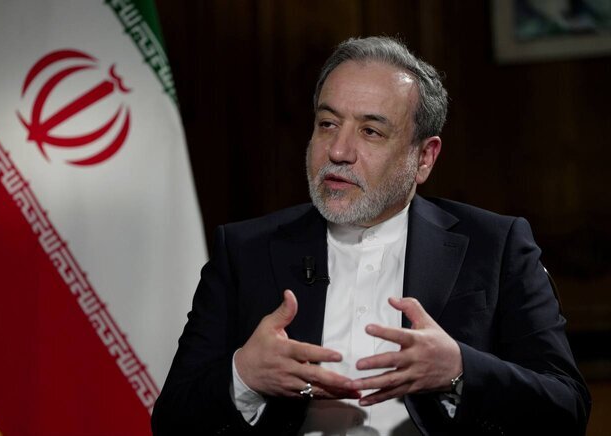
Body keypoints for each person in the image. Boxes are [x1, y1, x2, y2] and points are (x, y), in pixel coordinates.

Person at [152, 36, 591, 435]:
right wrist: (244, 376)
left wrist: (459, 370)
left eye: (370, 131)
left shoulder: (495, 246)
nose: (338, 151)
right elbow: (172, 421)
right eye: (327, 124)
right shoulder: (244, 250)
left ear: (424, 157)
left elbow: (566, 407)